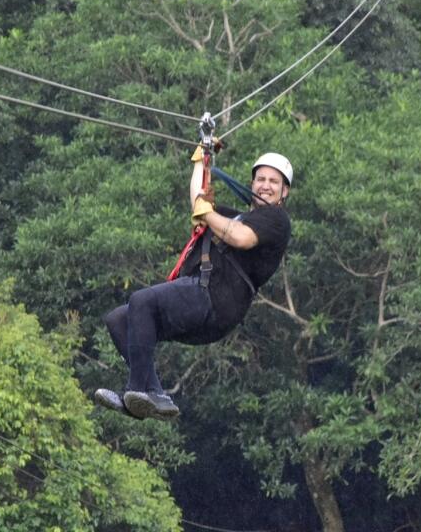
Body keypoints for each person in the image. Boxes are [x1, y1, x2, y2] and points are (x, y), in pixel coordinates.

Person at [94, 148, 293, 420]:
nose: (266, 186)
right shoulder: (229, 215)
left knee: (142, 300)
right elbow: (199, 199)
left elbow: (241, 238)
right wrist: (202, 158)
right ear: (252, 184)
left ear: (284, 192)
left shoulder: (276, 220)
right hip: (202, 303)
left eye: (273, 182)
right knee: (119, 320)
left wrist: (207, 212)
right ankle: (154, 395)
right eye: (261, 179)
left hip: (216, 299)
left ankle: (136, 391)